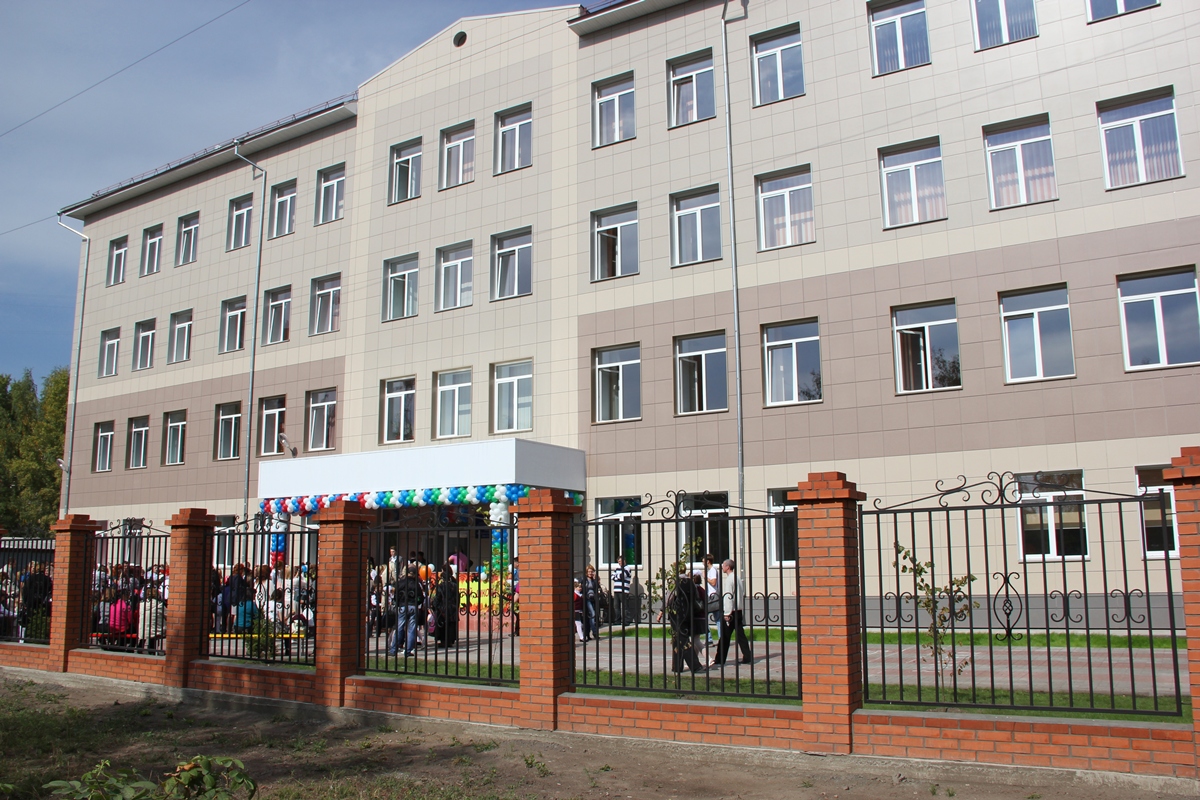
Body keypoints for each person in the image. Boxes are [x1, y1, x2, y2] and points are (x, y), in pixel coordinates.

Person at [658, 568, 705, 674]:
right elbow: (696, 596)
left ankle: (695, 666)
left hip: (676, 614)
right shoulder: (691, 582)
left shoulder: (675, 582)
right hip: (688, 613)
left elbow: (669, 598)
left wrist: (662, 611)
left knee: (682, 639)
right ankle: (677, 666)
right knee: (677, 639)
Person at [710, 559, 752, 667]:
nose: (722, 567)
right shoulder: (737, 578)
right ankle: (747, 655)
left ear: (728, 567)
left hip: (731, 612)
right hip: (738, 610)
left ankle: (720, 659)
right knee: (740, 635)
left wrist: (727, 613)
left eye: (723, 565)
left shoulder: (729, 580)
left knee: (724, 636)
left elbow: (728, 597)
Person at [391, 564, 425, 658]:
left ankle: (394, 649)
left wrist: (398, 603)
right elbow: (421, 598)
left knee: (399, 627)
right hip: (413, 606)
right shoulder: (416, 584)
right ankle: (408, 650)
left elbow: (395, 596)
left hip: (402, 606)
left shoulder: (400, 583)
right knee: (411, 629)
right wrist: (417, 602)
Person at [431, 561, 459, 647]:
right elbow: (458, 598)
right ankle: (450, 641)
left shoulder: (441, 586)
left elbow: (438, 598)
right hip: (453, 608)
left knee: (443, 625)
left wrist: (434, 605)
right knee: (451, 625)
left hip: (443, 608)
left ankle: (444, 641)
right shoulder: (455, 585)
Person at [610, 556, 632, 626]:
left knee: (625, 607)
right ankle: (617, 621)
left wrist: (616, 577)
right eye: (619, 561)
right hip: (616, 590)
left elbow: (622, 576)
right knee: (616, 606)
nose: (620, 563)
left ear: (624, 561)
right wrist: (618, 577)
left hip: (624, 590)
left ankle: (626, 621)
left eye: (621, 561)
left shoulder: (627, 568)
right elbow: (611, 576)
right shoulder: (617, 568)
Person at [582, 564, 601, 640]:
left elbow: (598, 589)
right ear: (586, 572)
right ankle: (595, 632)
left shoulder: (594, 581)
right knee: (592, 614)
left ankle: (587, 633)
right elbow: (579, 587)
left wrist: (596, 581)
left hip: (593, 599)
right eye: (589, 572)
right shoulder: (584, 580)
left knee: (590, 617)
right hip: (587, 599)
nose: (590, 573)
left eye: (592, 571)